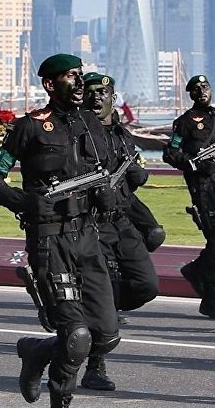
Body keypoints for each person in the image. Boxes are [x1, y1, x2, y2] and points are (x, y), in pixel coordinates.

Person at [0, 54, 119, 408]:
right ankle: (61, 399)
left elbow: (105, 172)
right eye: (71, 76)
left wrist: (108, 195)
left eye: (80, 75)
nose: (79, 83)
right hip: (50, 239)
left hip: (87, 236)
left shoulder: (91, 123)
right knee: (76, 336)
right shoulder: (29, 127)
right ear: (49, 84)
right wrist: (24, 201)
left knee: (106, 336)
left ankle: (38, 351)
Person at [79, 72, 158, 391]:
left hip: (122, 219)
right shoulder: (77, 132)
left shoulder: (122, 133)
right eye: (90, 92)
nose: (96, 97)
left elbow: (129, 167)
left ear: (113, 98)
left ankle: (94, 308)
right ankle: (95, 365)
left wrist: (136, 175)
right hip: (92, 221)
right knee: (106, 285)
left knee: (146, 285)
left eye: (103, 92)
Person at [163, 75, 215, 319]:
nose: (202, 91)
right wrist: (195, 165)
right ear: (190, 94)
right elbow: (171, 153)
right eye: (196, 89)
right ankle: (210, 297)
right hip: (204, 187)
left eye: (205, 86)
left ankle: (197, 269)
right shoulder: (184, 122)